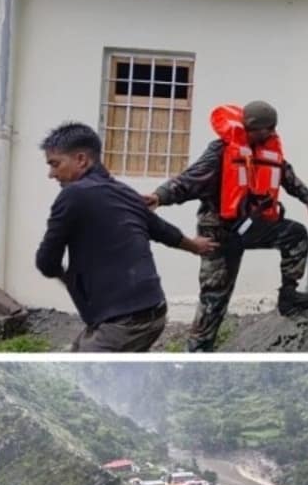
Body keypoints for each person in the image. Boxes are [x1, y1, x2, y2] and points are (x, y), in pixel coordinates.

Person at [144, 100, 308, 352]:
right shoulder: (221, 151)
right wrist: (159, 196)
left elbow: (287, 176)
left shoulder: (267, 149)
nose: (274, 132)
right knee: (214, 299)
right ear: (256, 128)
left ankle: (289, 297)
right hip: (218, 234)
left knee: (295, 235)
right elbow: (188, 180)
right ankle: (197, 352)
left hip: (252, 226)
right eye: (270, 128)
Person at [33, 122, 218, 352]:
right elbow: (161, 230)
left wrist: (71, 280)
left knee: (83, 373)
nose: (51, 174)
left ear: (81, 159)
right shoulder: (125, 192)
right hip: (154, 311)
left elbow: (46, 262)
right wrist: (195, 246)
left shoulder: (73, 195)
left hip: (124, 322)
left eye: (55, 164)